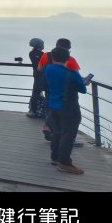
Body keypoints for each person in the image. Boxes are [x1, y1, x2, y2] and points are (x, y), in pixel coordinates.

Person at [44, 46, 90, 174]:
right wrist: (83, 82)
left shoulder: (49, 69)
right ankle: (64, 163)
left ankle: (55, 158)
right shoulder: (72, 73)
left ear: (53, 57)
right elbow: (83, 89)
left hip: (54, 105)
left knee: (57, 133)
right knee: (68, 135)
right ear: (68, 58)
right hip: (69, 108)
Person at [37, 38, 84, 147]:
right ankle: (70, 140)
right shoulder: (70, 60)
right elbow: (76, 76)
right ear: (67, 49)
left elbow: (39, 69)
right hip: (67, 93)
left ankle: (49, 128)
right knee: (72, 118)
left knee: (52, 112)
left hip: (49, 89)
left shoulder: (46, 56)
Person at [26, 38, 46, 118]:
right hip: (41, 75)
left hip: (37, 75)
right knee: (38, 93)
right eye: (42, 44)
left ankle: (34, 111)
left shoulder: (32, 53)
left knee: (35, 93)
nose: (43, 46)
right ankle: (37, 111)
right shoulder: (41, 54)